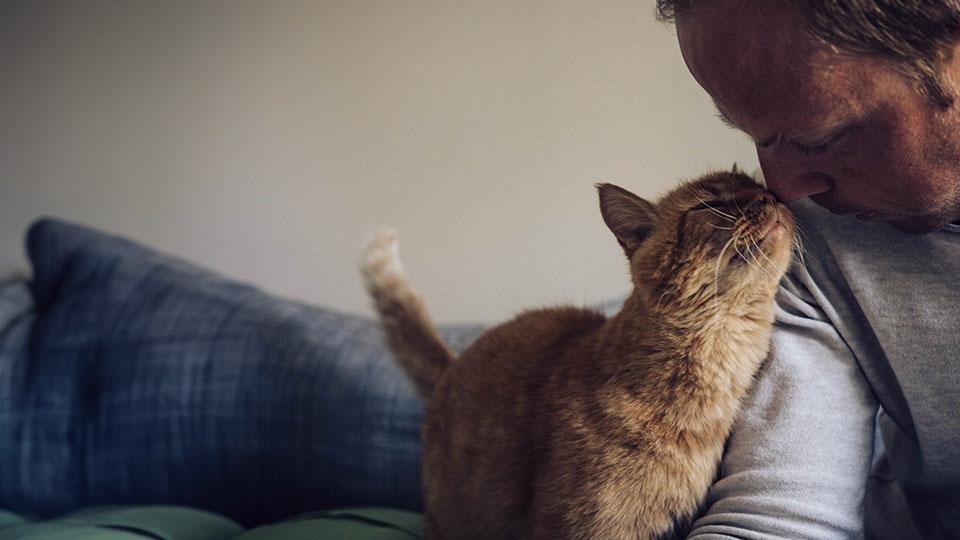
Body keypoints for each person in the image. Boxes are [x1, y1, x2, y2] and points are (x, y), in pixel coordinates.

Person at [659, 0, 960, 537]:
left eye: (820, 138)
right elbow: (779, 515)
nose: (781, 188)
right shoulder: (805, 241)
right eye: (754, 135)